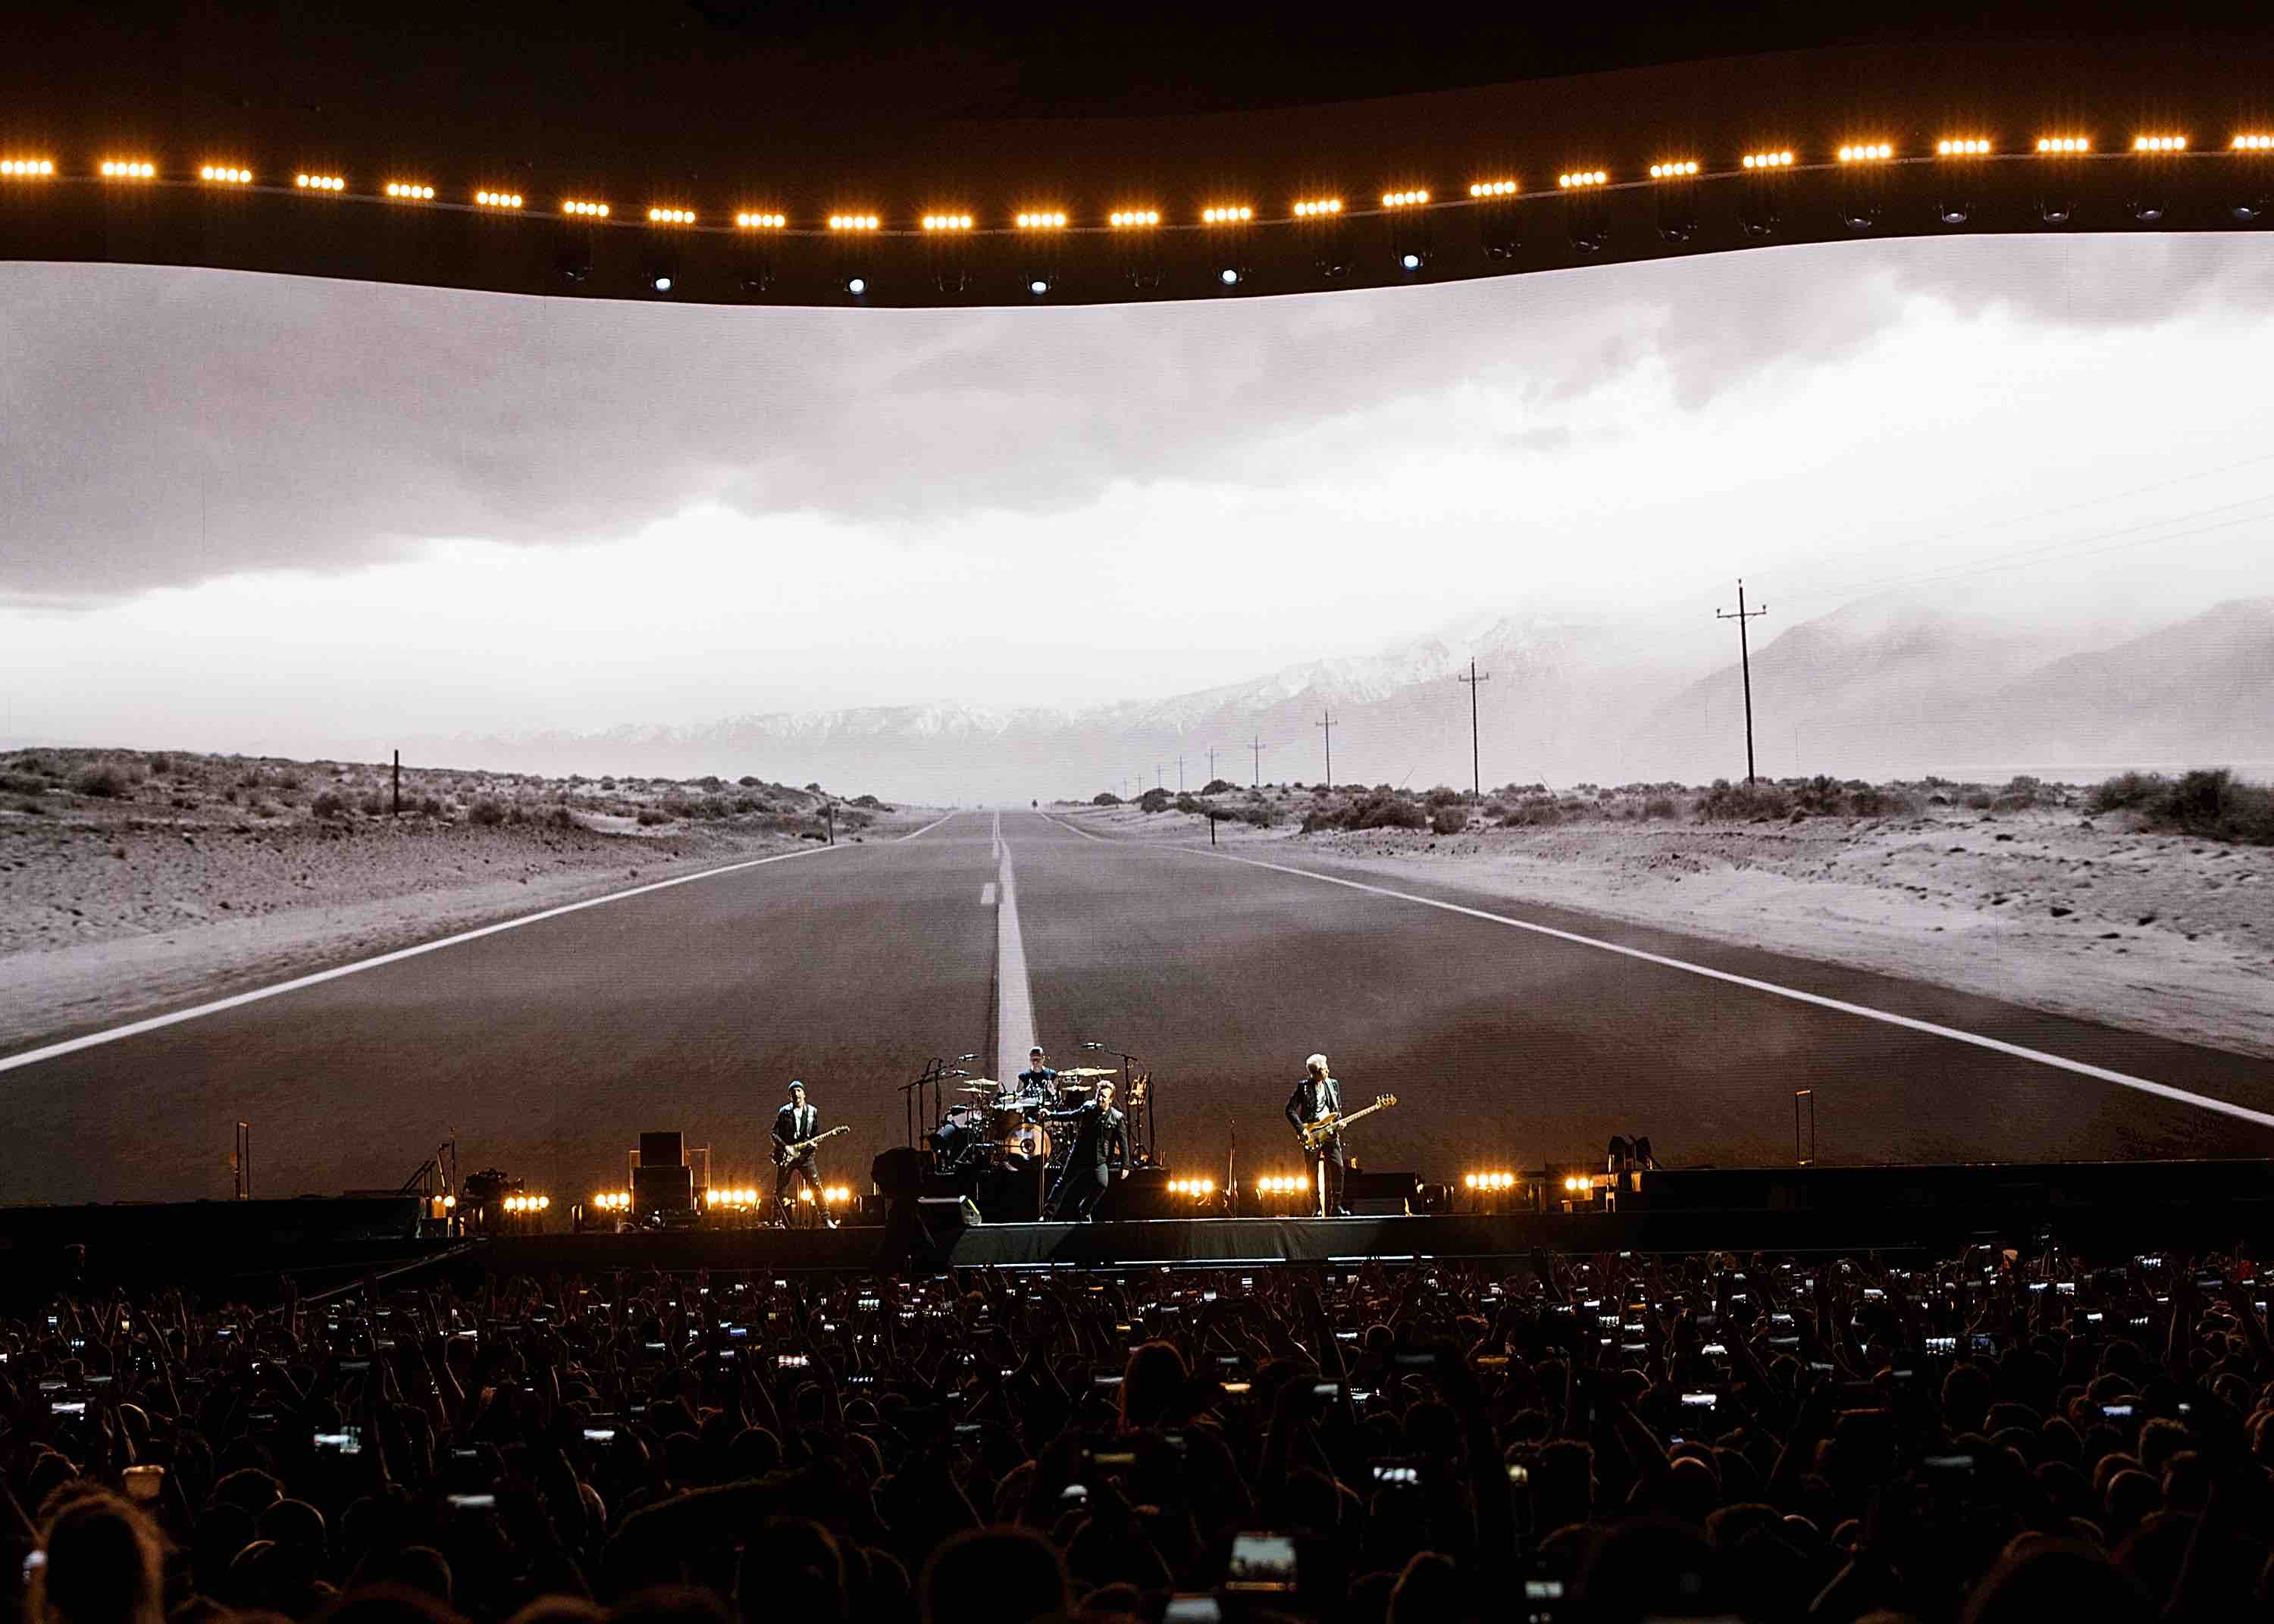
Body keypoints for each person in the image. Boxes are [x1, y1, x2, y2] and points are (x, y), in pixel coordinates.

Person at [1044, 1079, 1128, 1221]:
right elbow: (1071, 1115)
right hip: (1079, 1155)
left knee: (1102, 1184)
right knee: (1063, 1183)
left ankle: (1085, 1209)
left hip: (1098, 1158)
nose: (1100, 1099)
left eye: (1103, 1097)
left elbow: (1123, 1142)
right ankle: (1047, 1215)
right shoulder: (1087, 1108)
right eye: (1098, 1095)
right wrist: (1051, 1114)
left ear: (1110, 1100)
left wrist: (1125, 1165)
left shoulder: (1117, 1117)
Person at [1286, 1052, 1350, 1216]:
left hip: (1330, 1133)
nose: (1328, 1070)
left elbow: (1337, 1109)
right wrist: (1302, 1130)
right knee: (1311, 1172)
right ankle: (1316, 1206)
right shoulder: (1304, 1087)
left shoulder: (1333, 1084)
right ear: (1316, 1072)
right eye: (1324, 1069)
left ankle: (1336, 1206)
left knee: (1338, 1168)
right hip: (1312, 1135)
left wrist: (1340, 1121)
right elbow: (1289, 1110)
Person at [772, 1081, 838, 1229]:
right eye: (793, 1091)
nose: (796, 1094)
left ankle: (826, 1219)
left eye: (799, 1090)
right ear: (790, 1096)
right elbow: (774, 1133)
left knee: (817, 1187)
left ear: (804, 1093)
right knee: (781, 1190)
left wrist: (813, 1144)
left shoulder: (813, 1112)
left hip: (806, 1157)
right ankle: (776, 1220)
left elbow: (815, 1133)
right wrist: (785, 1147)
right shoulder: (784, 1112)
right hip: (787, 1157)